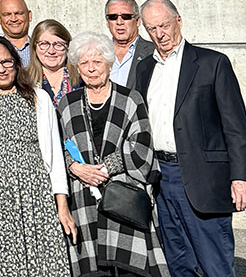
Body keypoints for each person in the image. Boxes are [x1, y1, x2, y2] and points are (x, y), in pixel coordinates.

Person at [134, 0, 246, 277]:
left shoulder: (212, 63)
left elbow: (235, 126)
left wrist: (243, 178)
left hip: (204, 180)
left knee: (215, 265)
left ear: (179, 21)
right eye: (151, 28)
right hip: (162, 179)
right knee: (178, 264)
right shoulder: (144, 68)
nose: (159, 33)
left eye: (163, 25)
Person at [0, 36, 74, 277]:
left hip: (35, 198)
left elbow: (54, 159)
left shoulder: (38, 98)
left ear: (16, 63)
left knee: (42, 265)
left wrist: (61, 206)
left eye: (6, 61)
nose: (1, 69)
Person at [56, 32, 169, 277]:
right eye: (84, 63)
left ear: (108, 63)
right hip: (83, 198)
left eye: (97, 62)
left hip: (123, 196)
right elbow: (57, 147)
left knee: (128, 269)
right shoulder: (67, 103)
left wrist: (105, 168)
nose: (91, 69)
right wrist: (76, 167)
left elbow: (141, 145)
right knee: (94, 268)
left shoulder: (131, 99)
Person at [103, 0, 154, 88]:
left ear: (138, 21)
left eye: (126, 16)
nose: (119, 22)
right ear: (107, 22)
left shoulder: (154, 52)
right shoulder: (98, 53)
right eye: (113, 17)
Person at [26, 19, 80, 104]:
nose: (51, 51)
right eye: (44, 44)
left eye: (58, 45)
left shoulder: (81, 77)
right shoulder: (23, 80)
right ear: (34, 47)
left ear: (68, 47)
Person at [0, 0, 33, 67]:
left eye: (18, 13)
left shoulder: (44, 49)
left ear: (29, 16)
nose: (13, 19)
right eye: (7, 14)